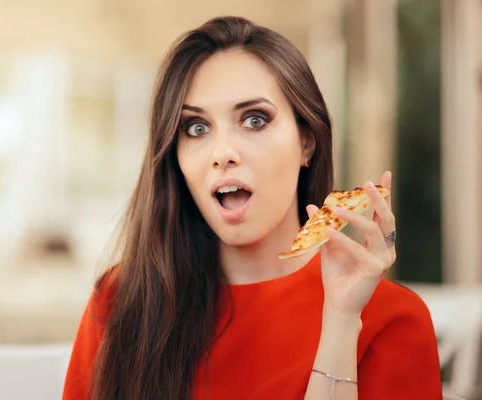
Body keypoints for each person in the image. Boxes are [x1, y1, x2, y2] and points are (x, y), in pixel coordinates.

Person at [63, 16, 442, 400]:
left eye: (254, 120)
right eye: (196, 128)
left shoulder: (393, 318)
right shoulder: (122, 300)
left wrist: (341, 323)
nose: (223, 153)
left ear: (306, 142)